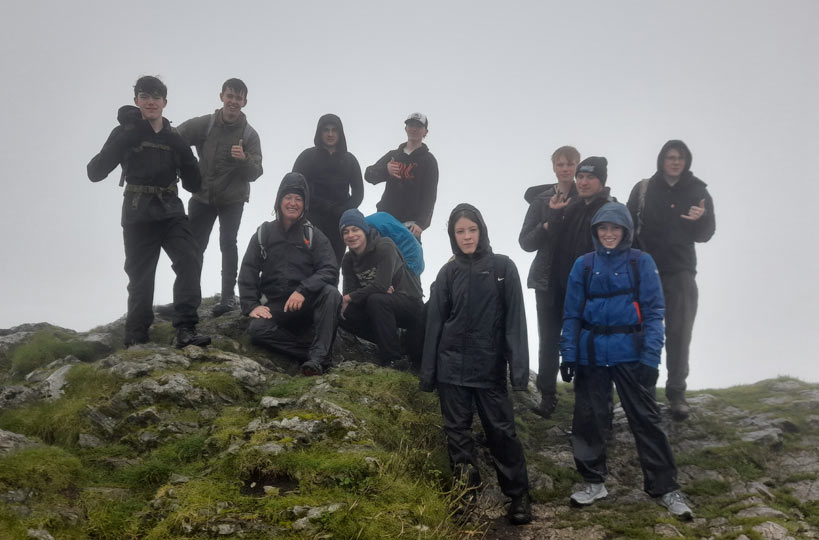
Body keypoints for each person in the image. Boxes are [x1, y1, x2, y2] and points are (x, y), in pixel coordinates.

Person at [559, 201, 693, 519]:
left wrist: (651, 358)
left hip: (631, 355)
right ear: (595, 231)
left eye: (615, 228)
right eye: (603, 228)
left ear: (626, 231)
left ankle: (666, 489)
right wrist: (568, 353)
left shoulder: (641, 262)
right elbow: (571, 313)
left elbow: (654, 310)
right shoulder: (584, 265)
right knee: (588, 419)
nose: (609, 234)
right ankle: (593, 482)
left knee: (646, 421)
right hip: (591, 355)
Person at [420, 204, 532, 526]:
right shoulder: (447, 273)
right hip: (451, 368)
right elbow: (435, 325)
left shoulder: (503, 267)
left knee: (501, 433)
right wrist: (429, 374)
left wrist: (519, 372)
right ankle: (465, 497)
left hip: (489, 368)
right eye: (460, 231)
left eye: (472, 229)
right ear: (453, 236)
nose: (467, 236)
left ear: (481, 230)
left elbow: (515, 323)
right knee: (457, 434)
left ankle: (519, 497)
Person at [87, 76, 210, 349]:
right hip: (138, 213)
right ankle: (136, 337)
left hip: (171, 211)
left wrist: (188, 158)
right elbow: (94, 172)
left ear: (165, 102)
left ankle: (186, 329)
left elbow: (194, 184)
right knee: (141, 278)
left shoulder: (175, 137)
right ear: (136, 101)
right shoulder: (124, 133)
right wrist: (126, 139)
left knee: (190, 259)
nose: (151, 101)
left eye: (156, 96)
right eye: (145, 96)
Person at [627, 140, 715, 421]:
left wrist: (700, 220)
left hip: (681, 272)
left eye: (680, 157)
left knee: (679, 333)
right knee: (643, 332)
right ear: (661, 160)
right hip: (646, 271)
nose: (675, 162)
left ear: (687, 160)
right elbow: (627, 227)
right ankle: (645, 390)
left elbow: (706, 234)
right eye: (670, 157)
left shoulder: (698, 191)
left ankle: (677, 394)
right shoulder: (644, 188)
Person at [237, 173, 341, 376]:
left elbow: (330, 270)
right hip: (277, 306)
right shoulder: (264, 233)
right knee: (258, 330)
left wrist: (303, 290)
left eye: (299, 199)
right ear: (279, 201)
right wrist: (251, 305)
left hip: (307, 304)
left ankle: (318, 359)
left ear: (304, 204)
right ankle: (311, 356)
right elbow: (248, 269)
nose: (293, 203)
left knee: (331, 293)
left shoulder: (313, 235)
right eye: (288, 198)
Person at [176, 78, 263, 317]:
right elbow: (174, 139)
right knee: (194, 248)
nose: (234, 101)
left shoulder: (249, 134)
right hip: (202, 196)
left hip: (232, 199)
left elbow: (256, 172)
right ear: (222, 96)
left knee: (228, 243)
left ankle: (227, 298)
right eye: (230, 96)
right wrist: (188, 167)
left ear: (245, 102)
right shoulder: (205, 124)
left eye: (239, 98)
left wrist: (243, 159)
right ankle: (186, 300)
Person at [518, 145, 580, 418]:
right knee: (549, 338)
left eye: (570, 163)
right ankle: (547, 395)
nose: (565, 168)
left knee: (581, 334)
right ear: (554, 167)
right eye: (560, 164)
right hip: (547, 278)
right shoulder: (541, 200)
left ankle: (585, 390)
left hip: (579, 279)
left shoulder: (586, 197)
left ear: (578, 166)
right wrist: (545, 225)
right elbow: (525, 242)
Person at [338, 209, 424, 368]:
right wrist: (355, 296)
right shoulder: (348, 260)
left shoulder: (385, 245)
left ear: (364, 230)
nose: (351, 235)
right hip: (380, 307)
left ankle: (392, 359)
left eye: (355, 229)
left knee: (376, 299)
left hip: (410, 303)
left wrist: (355, 296)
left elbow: (380, 285)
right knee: (344, 312)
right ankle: (394, 342)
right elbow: (349, 294)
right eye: (346, 232)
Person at [293, 114, 363, 263]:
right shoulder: (307, 156)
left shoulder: (350, 160)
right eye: (326, 130)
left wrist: (345, 211)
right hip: (311, 219)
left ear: (340, 133)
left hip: (338, 223)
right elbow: (295, 186)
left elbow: (358, 193)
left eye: (334, 130)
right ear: (320, 132)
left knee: (333, 265)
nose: (330, 134)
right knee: (306, 264)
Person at [364, 112, 439, 241]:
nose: (414, 129)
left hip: (410, 226)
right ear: (405, 129)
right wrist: (385, 170)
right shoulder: (394, 155)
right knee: (379, 259)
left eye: (418, 126)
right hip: (384, 221)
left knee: (407, 261)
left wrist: (422, 223)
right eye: (411, 125)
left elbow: (430, 195)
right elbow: (369, 175)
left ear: (425, 131)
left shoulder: (429, 160)